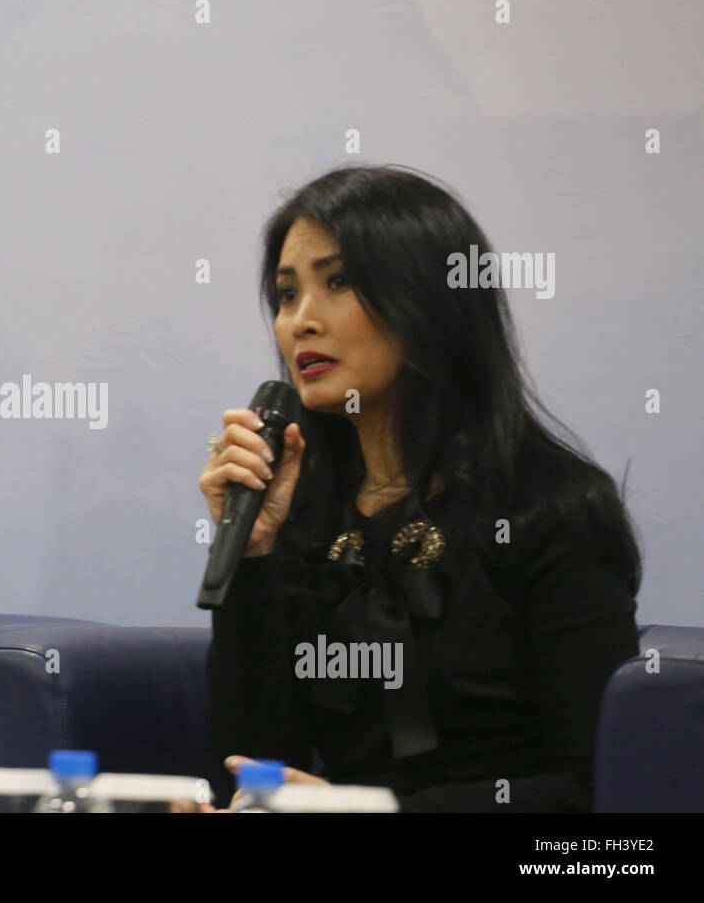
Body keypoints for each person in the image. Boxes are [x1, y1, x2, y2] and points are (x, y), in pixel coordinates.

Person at [200, 165, 640, 812]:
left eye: (339, 281)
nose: (300, 322)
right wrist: (254, 552)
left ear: (428, 299)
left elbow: (596, 790)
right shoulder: (308, 514)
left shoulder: (553, 506)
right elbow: (253, 765)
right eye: (287, 294)